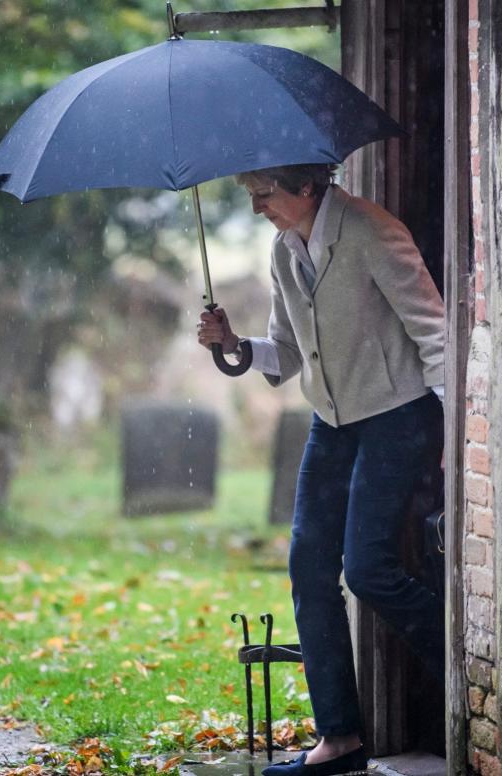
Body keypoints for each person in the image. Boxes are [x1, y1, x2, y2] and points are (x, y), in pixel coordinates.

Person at [196, 163, 445, 776]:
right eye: (251, 196)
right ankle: (340, 741)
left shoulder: (371, 231)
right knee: (308, 570)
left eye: (264, 193)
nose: (258, 207)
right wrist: (232, 343)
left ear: (305, 186)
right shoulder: (285, 250)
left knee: (368, 570)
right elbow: (284, 352)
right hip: (332, 422)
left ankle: (463, 663)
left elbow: (434, 332)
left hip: (398, 414)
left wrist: (455, 433)